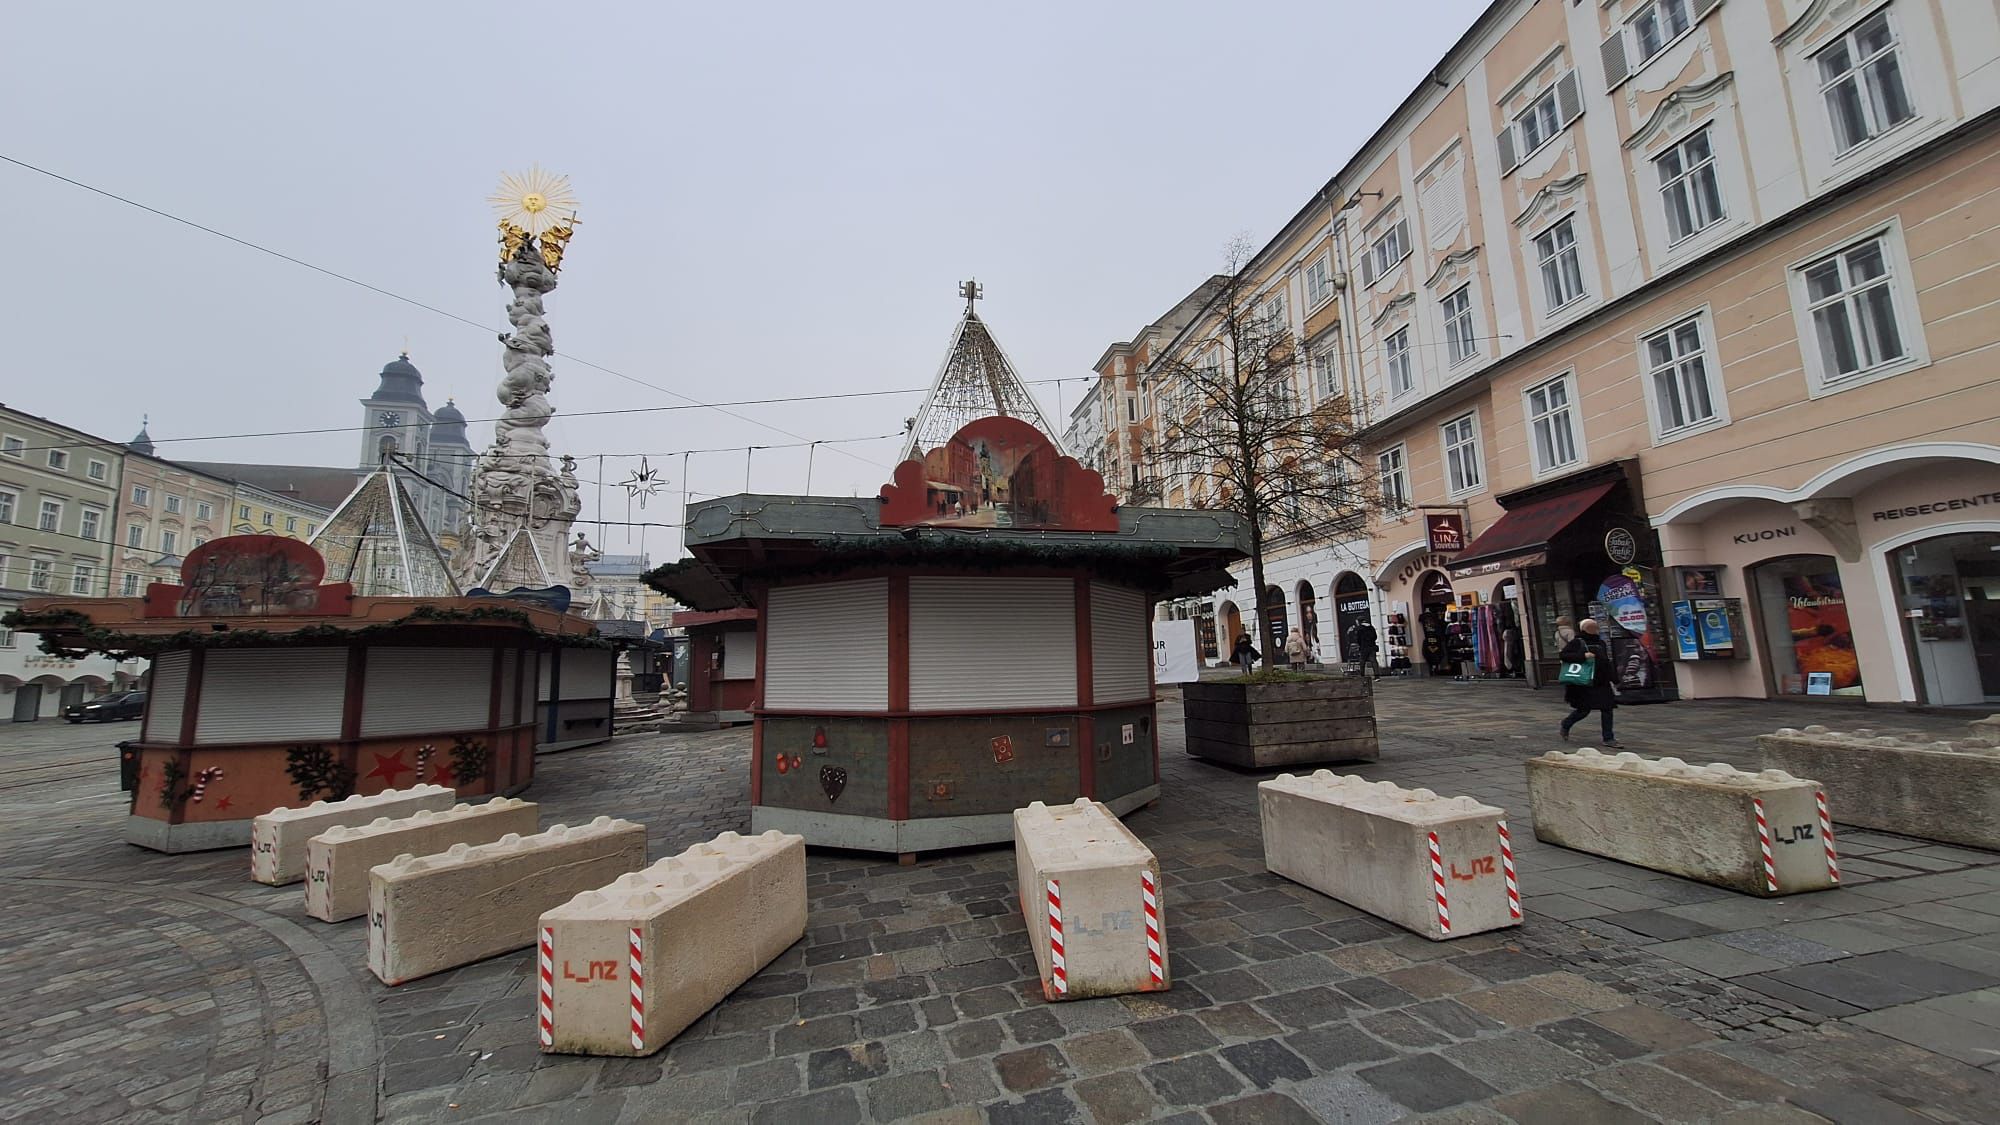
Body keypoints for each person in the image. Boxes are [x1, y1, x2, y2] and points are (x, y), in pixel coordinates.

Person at [1558, 618, 1622, 747]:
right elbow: (1564, 656)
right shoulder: (1577, 642)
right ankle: (1566, 723)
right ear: (1584, 629)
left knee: (1607, 709)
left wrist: (1614, 679)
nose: (1594, 630)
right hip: (1584, 682)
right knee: (1583, 710)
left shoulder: (1601, 643)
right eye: (1591, 628)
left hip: (1601, 681)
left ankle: (1608, 738)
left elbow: (1606, 662)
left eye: (1595, 627)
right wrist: (1583, 656)